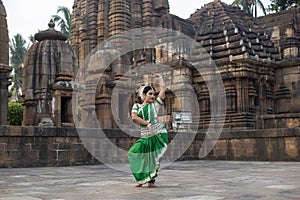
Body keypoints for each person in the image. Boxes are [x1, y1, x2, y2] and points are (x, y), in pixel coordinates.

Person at [128, 74, 168, 188]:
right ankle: (142, 178)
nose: (153, 96)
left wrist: (160, 78)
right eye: (150, 94)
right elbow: (134, 117)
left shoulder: (155, 106)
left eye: (154, 94)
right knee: (134, 153)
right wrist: (147, 124)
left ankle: (150, 181)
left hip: (156, 135)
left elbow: (163, 90)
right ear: (143, 95)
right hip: (145, 136)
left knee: (153, 159)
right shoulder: (137, 106)